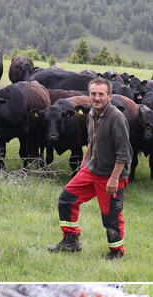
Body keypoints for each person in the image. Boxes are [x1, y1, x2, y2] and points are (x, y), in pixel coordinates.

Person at [47, 77, 130, 259]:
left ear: (110, 96)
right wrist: (84, 164)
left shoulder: (117, 118)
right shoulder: (91, 113)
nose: (97, 97)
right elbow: (91, 142)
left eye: (101, 94)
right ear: (89, 95)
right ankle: (71, 241)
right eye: (93, 94)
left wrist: (115, 178)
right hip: (91, 170)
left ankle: (116, 252)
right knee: (66, 199)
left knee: (111, 217)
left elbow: (124, 152)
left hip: (110, 175)